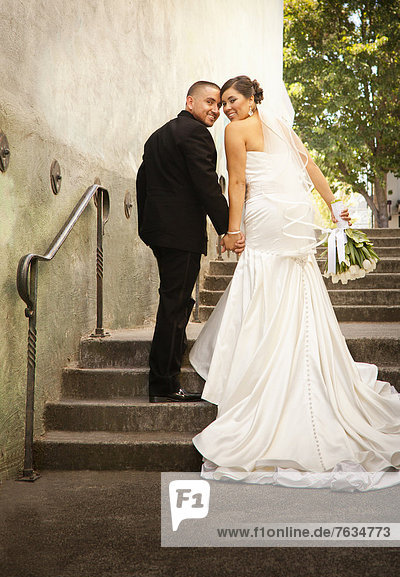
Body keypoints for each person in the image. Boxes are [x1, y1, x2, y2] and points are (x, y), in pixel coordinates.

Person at [189, 75, 400, 492]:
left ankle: (259, 362)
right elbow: (310, 165)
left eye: (233, 100)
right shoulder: (281, 127)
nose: (228, 109)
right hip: (292, 218)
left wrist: (233, 232)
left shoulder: (234, 131)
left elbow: (237, 182)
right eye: (224, 103)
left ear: (251, 100)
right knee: (293, 283)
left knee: (262, 277)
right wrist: (333, 207)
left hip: (265, 215)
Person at [136, 81, 244, 403]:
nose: (215, 109)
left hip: (160, 233)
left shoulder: (159, 135)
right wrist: (229, 229)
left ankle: (164, 375)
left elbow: (144, 181)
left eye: (218, 104)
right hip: (180, 235)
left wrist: (149, 228)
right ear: (190, 102)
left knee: (173, 302)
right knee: (176, 305)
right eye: (209, 102)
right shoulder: (197, 134)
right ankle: (164, 383)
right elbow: (207, 187)